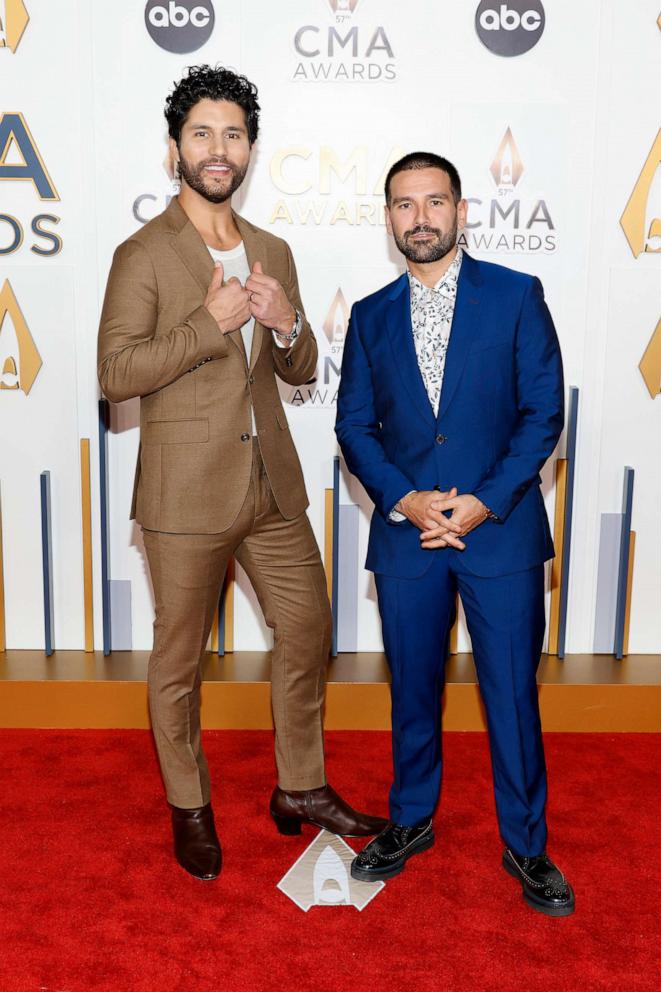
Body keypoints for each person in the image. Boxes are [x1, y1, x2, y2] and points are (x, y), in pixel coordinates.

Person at [97, 65, 386, 881]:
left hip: (271, 488)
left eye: (231, 135)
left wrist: (287, 320)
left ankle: (299, 786)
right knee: (178, 661)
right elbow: (115, 373)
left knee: (306, 629)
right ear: (174, 151)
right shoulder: (143, 254)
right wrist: (206, 322)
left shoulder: (273, 248)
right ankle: (189, 805)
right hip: (183, 496)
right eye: (200, 134)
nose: (216, 149)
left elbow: (296, 369)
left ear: (249, 149)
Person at [335, 151, 575, 916]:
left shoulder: (514, 296)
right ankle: (409, 821)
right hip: (408, 537)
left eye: (433, 202)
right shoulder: (370, 315)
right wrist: (405, 500)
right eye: (403, 205)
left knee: (510, 695)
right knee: (412, 691)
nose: (420, 218)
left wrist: (484, 501)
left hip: (496, 532)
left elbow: (543, 412)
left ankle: (527, 845)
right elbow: (353, 425)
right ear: (388, 219)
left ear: (461, 210)